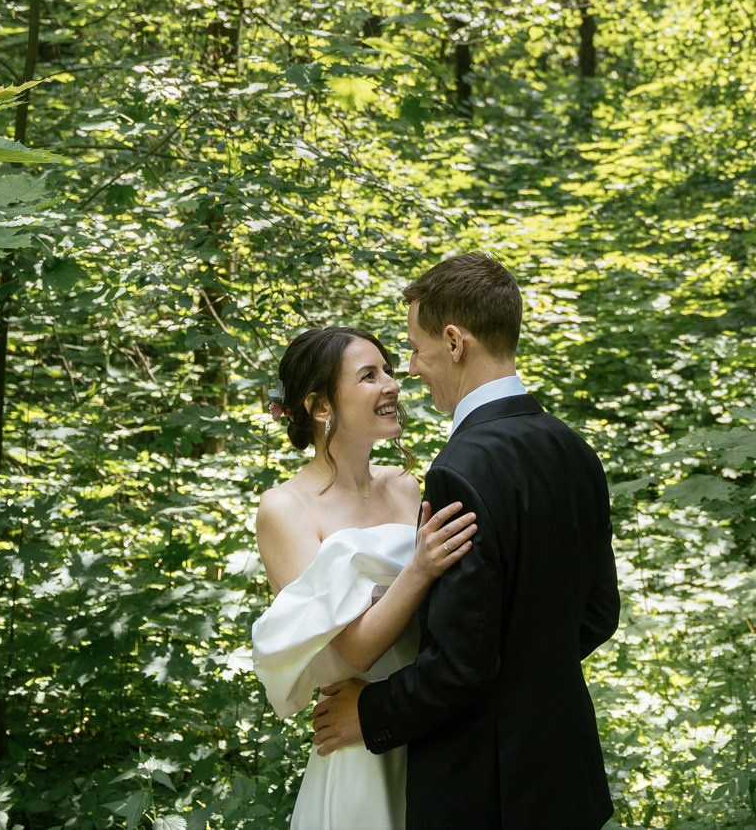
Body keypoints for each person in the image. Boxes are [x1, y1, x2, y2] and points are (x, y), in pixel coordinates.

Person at [310, 252, 620, 830]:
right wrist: (530, 676)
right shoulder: (573, 449)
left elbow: (461, 665)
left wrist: (369, 712)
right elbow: (599, 615)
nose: (411, 368)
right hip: (565, 777)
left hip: (486, 790)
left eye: (415, 349)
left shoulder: (461, 469)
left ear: (454, 342)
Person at [250, 326, 480, 830]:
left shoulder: (404, 486)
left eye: (389, 371)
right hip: (360, 735)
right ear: (321, 407)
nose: (393, 385)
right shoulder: (285, 509)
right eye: (369, 376)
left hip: (430, 721)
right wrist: (419, 568)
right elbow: (353, 651)